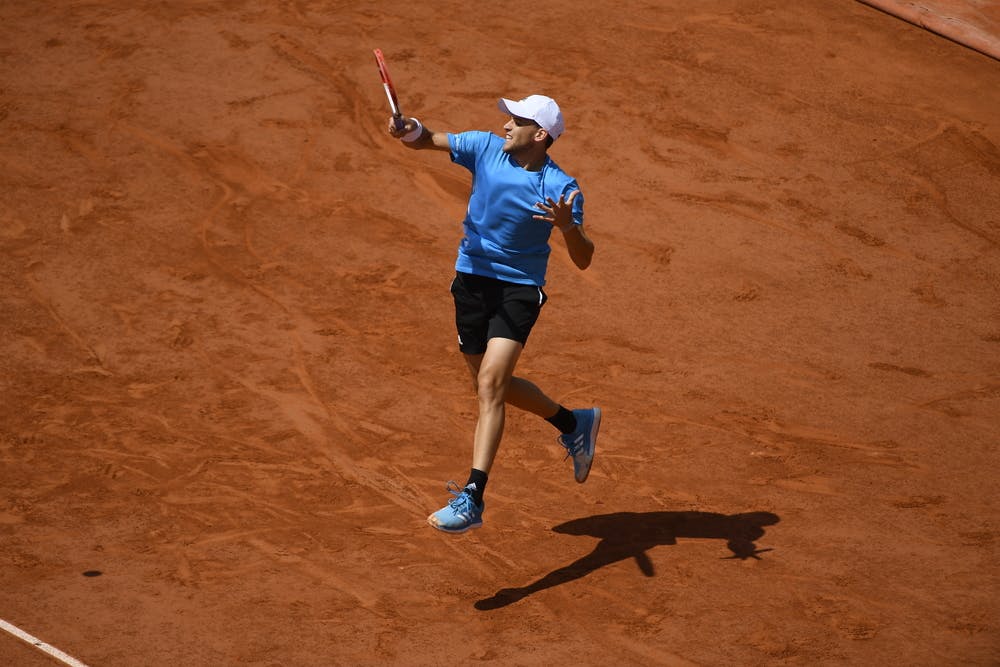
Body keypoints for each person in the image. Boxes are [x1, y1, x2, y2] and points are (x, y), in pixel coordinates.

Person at [387, 94, 601, 534]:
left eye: (516, 121)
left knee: (490, 383)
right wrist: (408, 128)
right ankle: (572, 422)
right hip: (470, 281)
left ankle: (473, 497)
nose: (505, 125)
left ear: (539, 135)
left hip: (518, 290)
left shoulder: (561, 187)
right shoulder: (484, 147)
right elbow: (426, 140)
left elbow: (583, 259)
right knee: (489, 386)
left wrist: (567, 227)